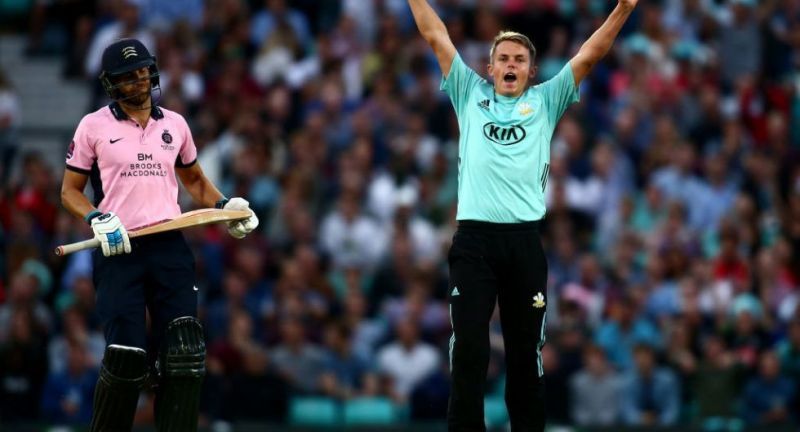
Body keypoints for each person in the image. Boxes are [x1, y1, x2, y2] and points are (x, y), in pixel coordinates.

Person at [406, 1, 639, 430]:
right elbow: (435, 34)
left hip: (524, 244)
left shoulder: (547, 100)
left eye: (519, 59)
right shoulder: (467, 91)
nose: (510, 65)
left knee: (524, 354)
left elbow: (590, 54)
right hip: (474, 243)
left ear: (532, 71)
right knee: (471, 347)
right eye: (503, 59)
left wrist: (623, 8)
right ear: (489, 68)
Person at [60, 38, 258, 432]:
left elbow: (195, 181)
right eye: (128, 77)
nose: (139, 80)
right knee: (126, 356)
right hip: (120, 245)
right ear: (111, 84)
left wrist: (225, 207)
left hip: (169, 244)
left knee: (184, 352)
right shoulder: (93, 126)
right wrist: (97, 218)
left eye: (143, 71)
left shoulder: (175, 124)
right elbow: (69, 192)